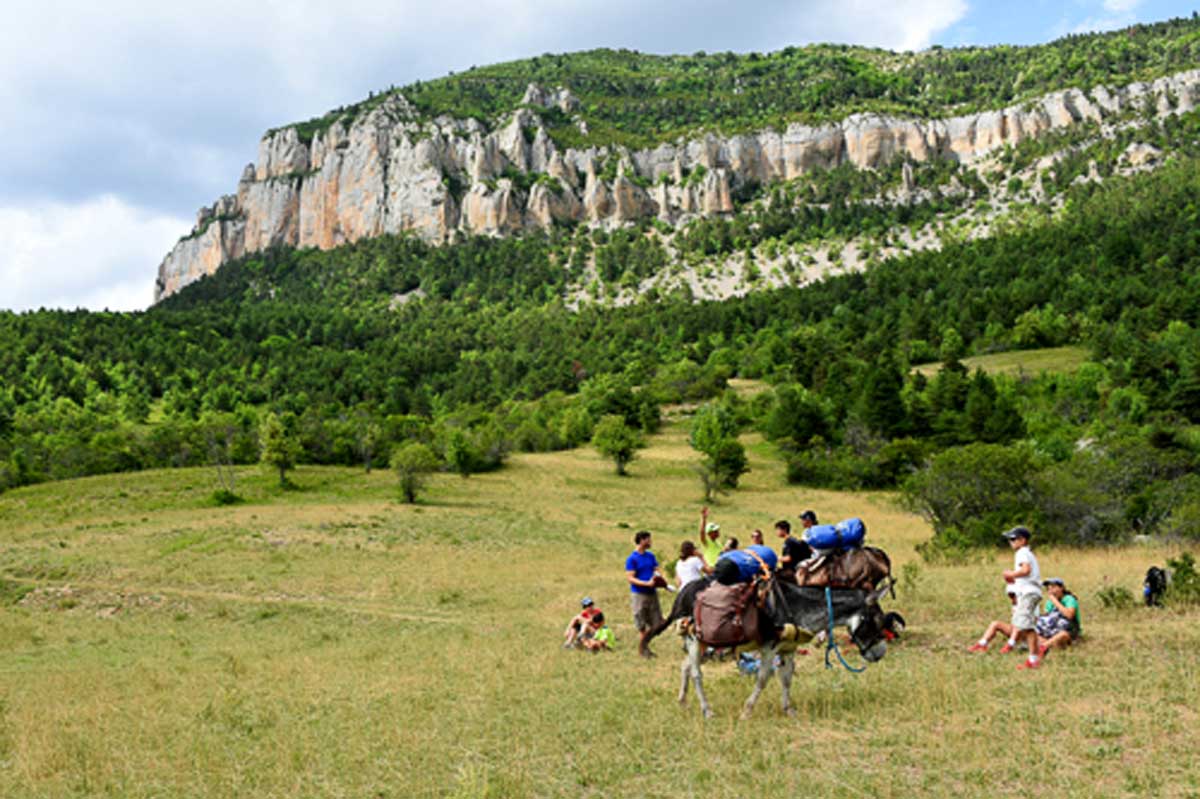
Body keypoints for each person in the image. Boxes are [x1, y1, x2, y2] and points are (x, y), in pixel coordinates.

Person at [967, 526, 1043, 670]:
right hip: (1030, 592)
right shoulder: (1028, 553)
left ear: (1023, 540)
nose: (1011, 542)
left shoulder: (1022, 553)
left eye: (1014, 539)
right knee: (1027, 626)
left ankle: (1033, 657)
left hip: (1028, 592)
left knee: (1025, 625)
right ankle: (1033, 658)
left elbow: (1026, 570)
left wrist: (1011, 574)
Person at [626, 530, 666, 658]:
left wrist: (659, 579)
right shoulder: (632, 559)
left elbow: (656, 570)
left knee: (657, 623)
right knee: (641, 624)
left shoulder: (651, 556)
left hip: (652, 593)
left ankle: (645, 647)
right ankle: (642, 651)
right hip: (639, 594)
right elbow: (630, 578)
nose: (650, 542)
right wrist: (645, 583)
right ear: (641, 540)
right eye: (648, 539)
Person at [1036, 578, 1082, 657]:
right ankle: (1048, 644)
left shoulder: (1069, 599)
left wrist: (1055, 602)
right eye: (1048, 589)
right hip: (1052, 631)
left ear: (1062, 588)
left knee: (1063, 635)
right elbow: (1047, 618)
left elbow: (1069, 615)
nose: (1051, 591)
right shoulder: (1049, 603)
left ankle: (1043, 646)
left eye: (1053, 587)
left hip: (1069, 631)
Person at [698, 507, 722, 572]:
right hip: (710, 569)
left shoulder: (718, 543)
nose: (717, 532)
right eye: (715, 531)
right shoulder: (706, 542)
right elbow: (702, 532)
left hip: (718, 569)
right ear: (709, 533)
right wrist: (703, 518)